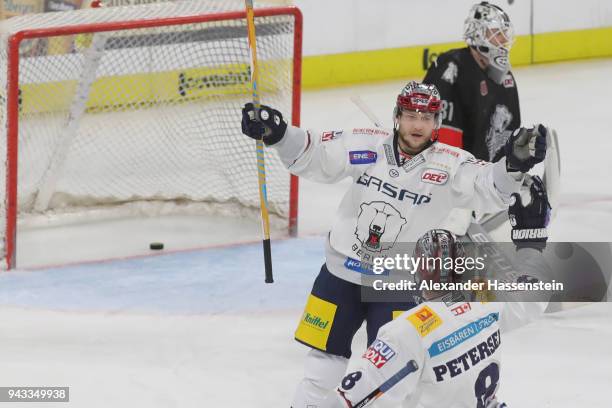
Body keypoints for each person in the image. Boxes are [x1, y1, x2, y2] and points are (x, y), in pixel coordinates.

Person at [240, 81, 547, 408]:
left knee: (391, 376)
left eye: (426, 117)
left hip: (399, 284)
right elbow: (317, 154)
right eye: (410, 115)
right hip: (340, 275)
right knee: (321, 367)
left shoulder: (450, 164)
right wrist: (279, 134)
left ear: (437, 123)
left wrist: (513, 162)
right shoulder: (365, 143)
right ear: (396, 116)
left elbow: (489, 185)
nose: (417, 124)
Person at [320, 178, 553, 408]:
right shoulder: (487, 304)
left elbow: (345, 402)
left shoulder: (407, 332)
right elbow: (534, 295)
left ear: (418, 273)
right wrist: (531, 239)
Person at [423, 1, 520, 162]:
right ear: (477, 34)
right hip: (456, 175)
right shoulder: (451, 69)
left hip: (486, 178)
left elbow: (509, 131)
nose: (503, 39)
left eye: (505, 33)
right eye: (496, 33)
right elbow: (440, 139)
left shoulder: (506, 77)